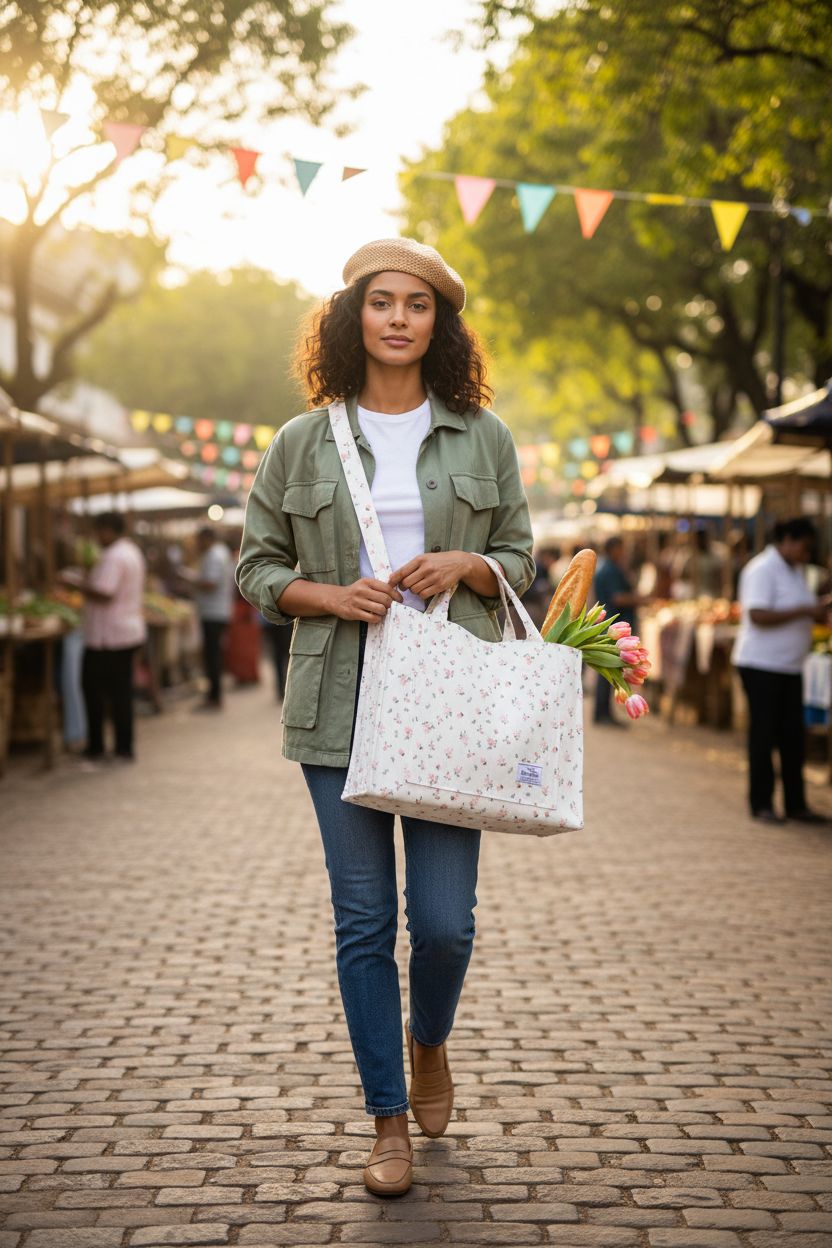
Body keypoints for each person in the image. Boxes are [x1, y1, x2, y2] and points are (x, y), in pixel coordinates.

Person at [236, 237, 535, 1196]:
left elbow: (523, 556)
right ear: (351, 316)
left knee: (444, 926)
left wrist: (470, 566)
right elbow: (255, 569)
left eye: (419, 305)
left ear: (440, 325)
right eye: (381, 302)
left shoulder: (481, 435)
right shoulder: (301, 440)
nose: (399, 318)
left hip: (452, 700)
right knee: (364, 924)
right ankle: (386, 1121)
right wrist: (328, 597)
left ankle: (428, 1039)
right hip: (340, 702)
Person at [733, 517, 829, 825]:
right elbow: (757, 614)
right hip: (761, 664)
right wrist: (806, 610)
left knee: (792, 736)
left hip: (790, 666)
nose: (805, 554)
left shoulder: (797, 571)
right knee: (764, 734)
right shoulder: (762, 569)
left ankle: (796, 804)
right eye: (803, 547)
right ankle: (761, 803)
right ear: (787, 539)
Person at [60, 512, 147, 764]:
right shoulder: (130, 551)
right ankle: (122, 746)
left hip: (109, 636)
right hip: (125, 632)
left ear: (109, 529)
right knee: (120, 692)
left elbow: (105, 593)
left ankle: (99, 745)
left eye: (100, 531)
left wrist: (76, 584)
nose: (97, 536)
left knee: (95, 690)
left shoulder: (114, 556)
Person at [592, 535, 639, 725]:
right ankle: (602, 714)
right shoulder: (609, 570)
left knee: (608, 671)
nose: (624, 553)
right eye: (622, 548)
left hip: (613, 626)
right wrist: (641, 599)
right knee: (607, 671)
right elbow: (618, 598)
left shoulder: (610, 567)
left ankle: (603, 713)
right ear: (612, 549)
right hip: (614, 627)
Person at [190, 528, 233, 710]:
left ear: (206, 539)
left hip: (213, 612)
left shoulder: (214, 555)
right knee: (213, 654)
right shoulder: (220, 552)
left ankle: (214, 696)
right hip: (217, 610)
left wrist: (191, 579)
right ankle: (214, 695)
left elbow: (211, 583)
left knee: (212, 655)